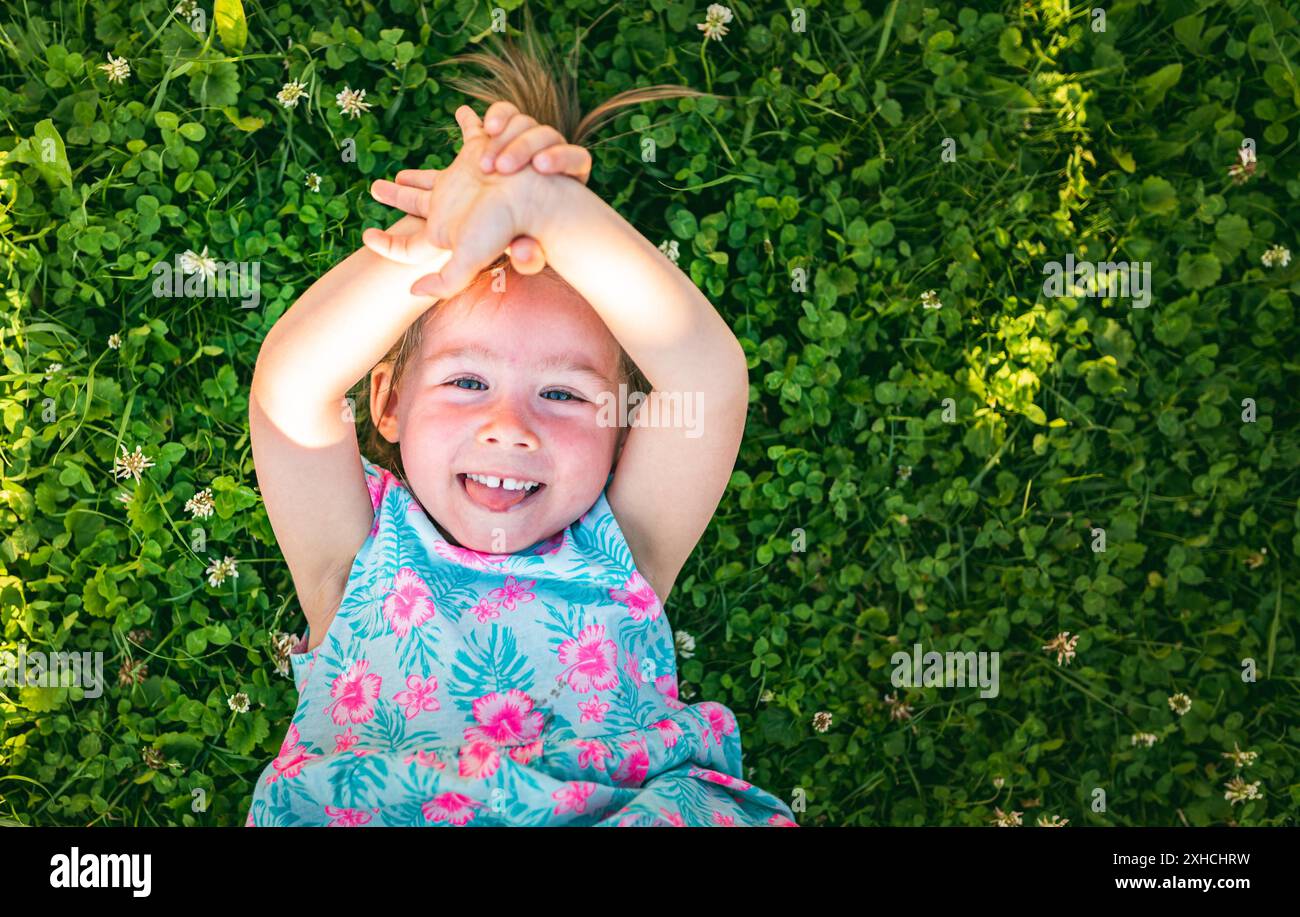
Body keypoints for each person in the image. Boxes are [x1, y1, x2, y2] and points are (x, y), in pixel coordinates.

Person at [245, 28, 797, 827]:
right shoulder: (353, 557)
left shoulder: (627, 544)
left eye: (566, 396)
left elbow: (704, 378)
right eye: (467, 381)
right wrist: (439, 239)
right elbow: (291, 389)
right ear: (389, 402)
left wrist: (550, 209)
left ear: (622, 425)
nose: (510, 427)